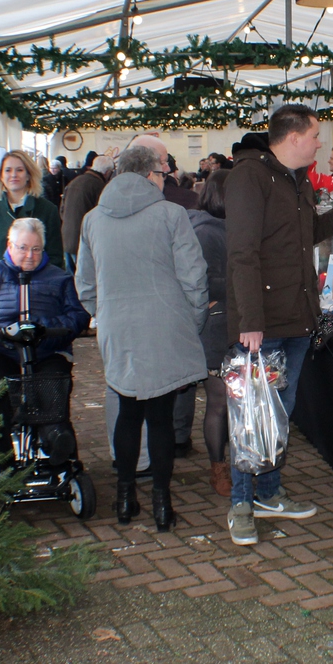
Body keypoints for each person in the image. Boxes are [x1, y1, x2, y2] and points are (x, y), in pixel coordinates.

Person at [225, 103, 333, 546]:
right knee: (251, 414)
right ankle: (241, 504)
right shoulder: (249, 177)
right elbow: (242, 252)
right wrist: (250, 320)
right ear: (293, 137)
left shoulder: (297, 180)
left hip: (297, 317)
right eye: (316, 134)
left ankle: (268, 492)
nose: (320, 142)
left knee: (278, 414)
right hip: (263, 324)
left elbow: (305, 234)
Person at [75, 144, 208, 532]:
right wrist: (192, 319)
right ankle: (162, 505)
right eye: (163, 172)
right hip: (165, 326)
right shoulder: (171, 215)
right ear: (150, 175)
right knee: (161, 418)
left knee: (128, 412)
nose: (165, 178)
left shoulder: (93, 219)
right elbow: (194, 278)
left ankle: (124, 497)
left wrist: (105, 314)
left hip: (118, 328)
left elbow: (85, 284)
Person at [0, 219, 90, 456]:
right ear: (10, 246)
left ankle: (57, 443)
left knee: (52, 392)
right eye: (23, 248)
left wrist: (42, 330)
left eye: (36, 249)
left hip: (45, 350)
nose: (29, 255)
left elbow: (78, 316)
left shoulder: (59, 278)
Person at [189, 170, 232, 497]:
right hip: (216, 327)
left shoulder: (230, 228)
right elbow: (202, 284)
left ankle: (235, 462)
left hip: (234, 324)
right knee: (218, 402)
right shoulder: (206, 232)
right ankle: (218, 467)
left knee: (234, 402)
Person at [0, 149, 65, 271]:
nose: (14, 175)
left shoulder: (47, 209)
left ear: (28, 175)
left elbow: (55, 256)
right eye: (8, 170)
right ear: (1, 176)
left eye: (19, 170)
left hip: (37, 285)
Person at [61, 153, 114, 273]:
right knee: (83, 278)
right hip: (82, 241)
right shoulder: (99, 186)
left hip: (66, 237)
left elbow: (62, 209)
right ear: (107, 172)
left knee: (70, 278)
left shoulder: (74, 181)